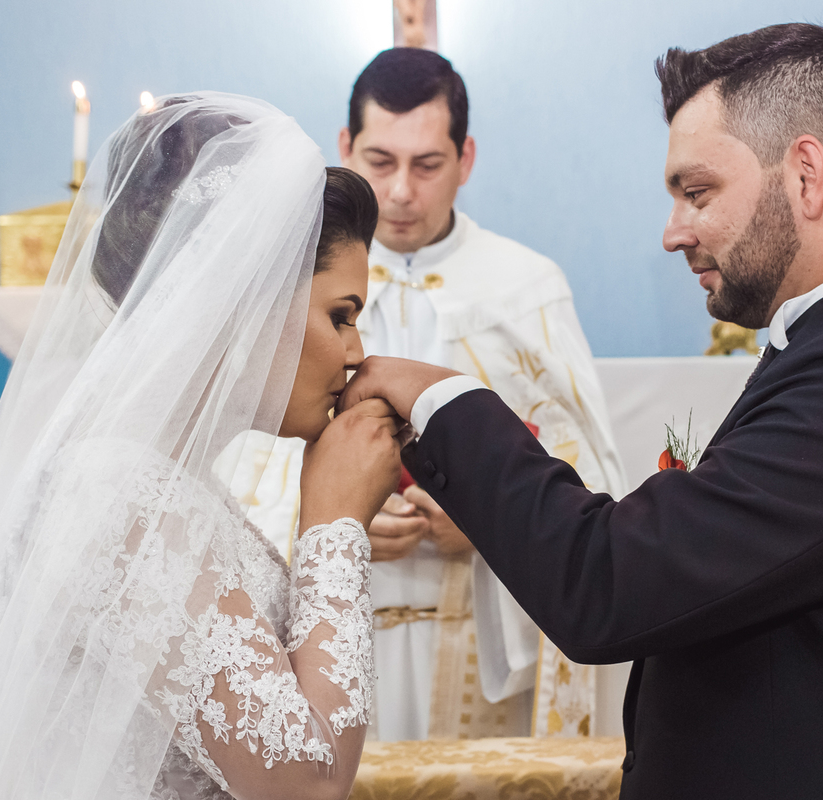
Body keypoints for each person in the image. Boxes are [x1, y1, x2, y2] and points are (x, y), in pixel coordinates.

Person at [340, 24, 823, 800]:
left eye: (698, 191)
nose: (673, 231)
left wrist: (439, 396)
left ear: (807, 175)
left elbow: (608, 585)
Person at [0, 94, 404, 800]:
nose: (356, 353)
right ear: (245, 296)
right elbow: (303, 785)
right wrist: (334, 522)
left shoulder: (164, 478)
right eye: (340, 315)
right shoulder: (114, 491)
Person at [233, 48, 627, 741]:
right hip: (328, 640)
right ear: (346, 147)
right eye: (380, 162)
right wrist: (325, 518)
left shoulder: (526, 287)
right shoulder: (293, 282)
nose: (401, 193)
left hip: (480, 651)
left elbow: (592, 481)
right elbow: (237, 466)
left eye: (428, 165)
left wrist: (492, 521)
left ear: (465, 158)